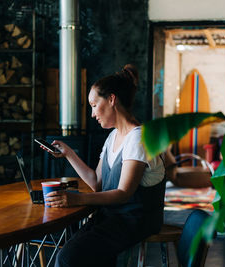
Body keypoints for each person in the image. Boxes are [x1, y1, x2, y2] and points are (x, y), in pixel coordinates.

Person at [43, 64, 165, 267]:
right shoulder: (113, 137)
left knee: (67, 258)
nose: (92, 114)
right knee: (72, 252)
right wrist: (69, 154)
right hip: (112, 217)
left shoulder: (138, 138)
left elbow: (124, 193)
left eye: (93, 105)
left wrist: (76, 200)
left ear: (112, 99)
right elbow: (97, 183)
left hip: (134, 221)